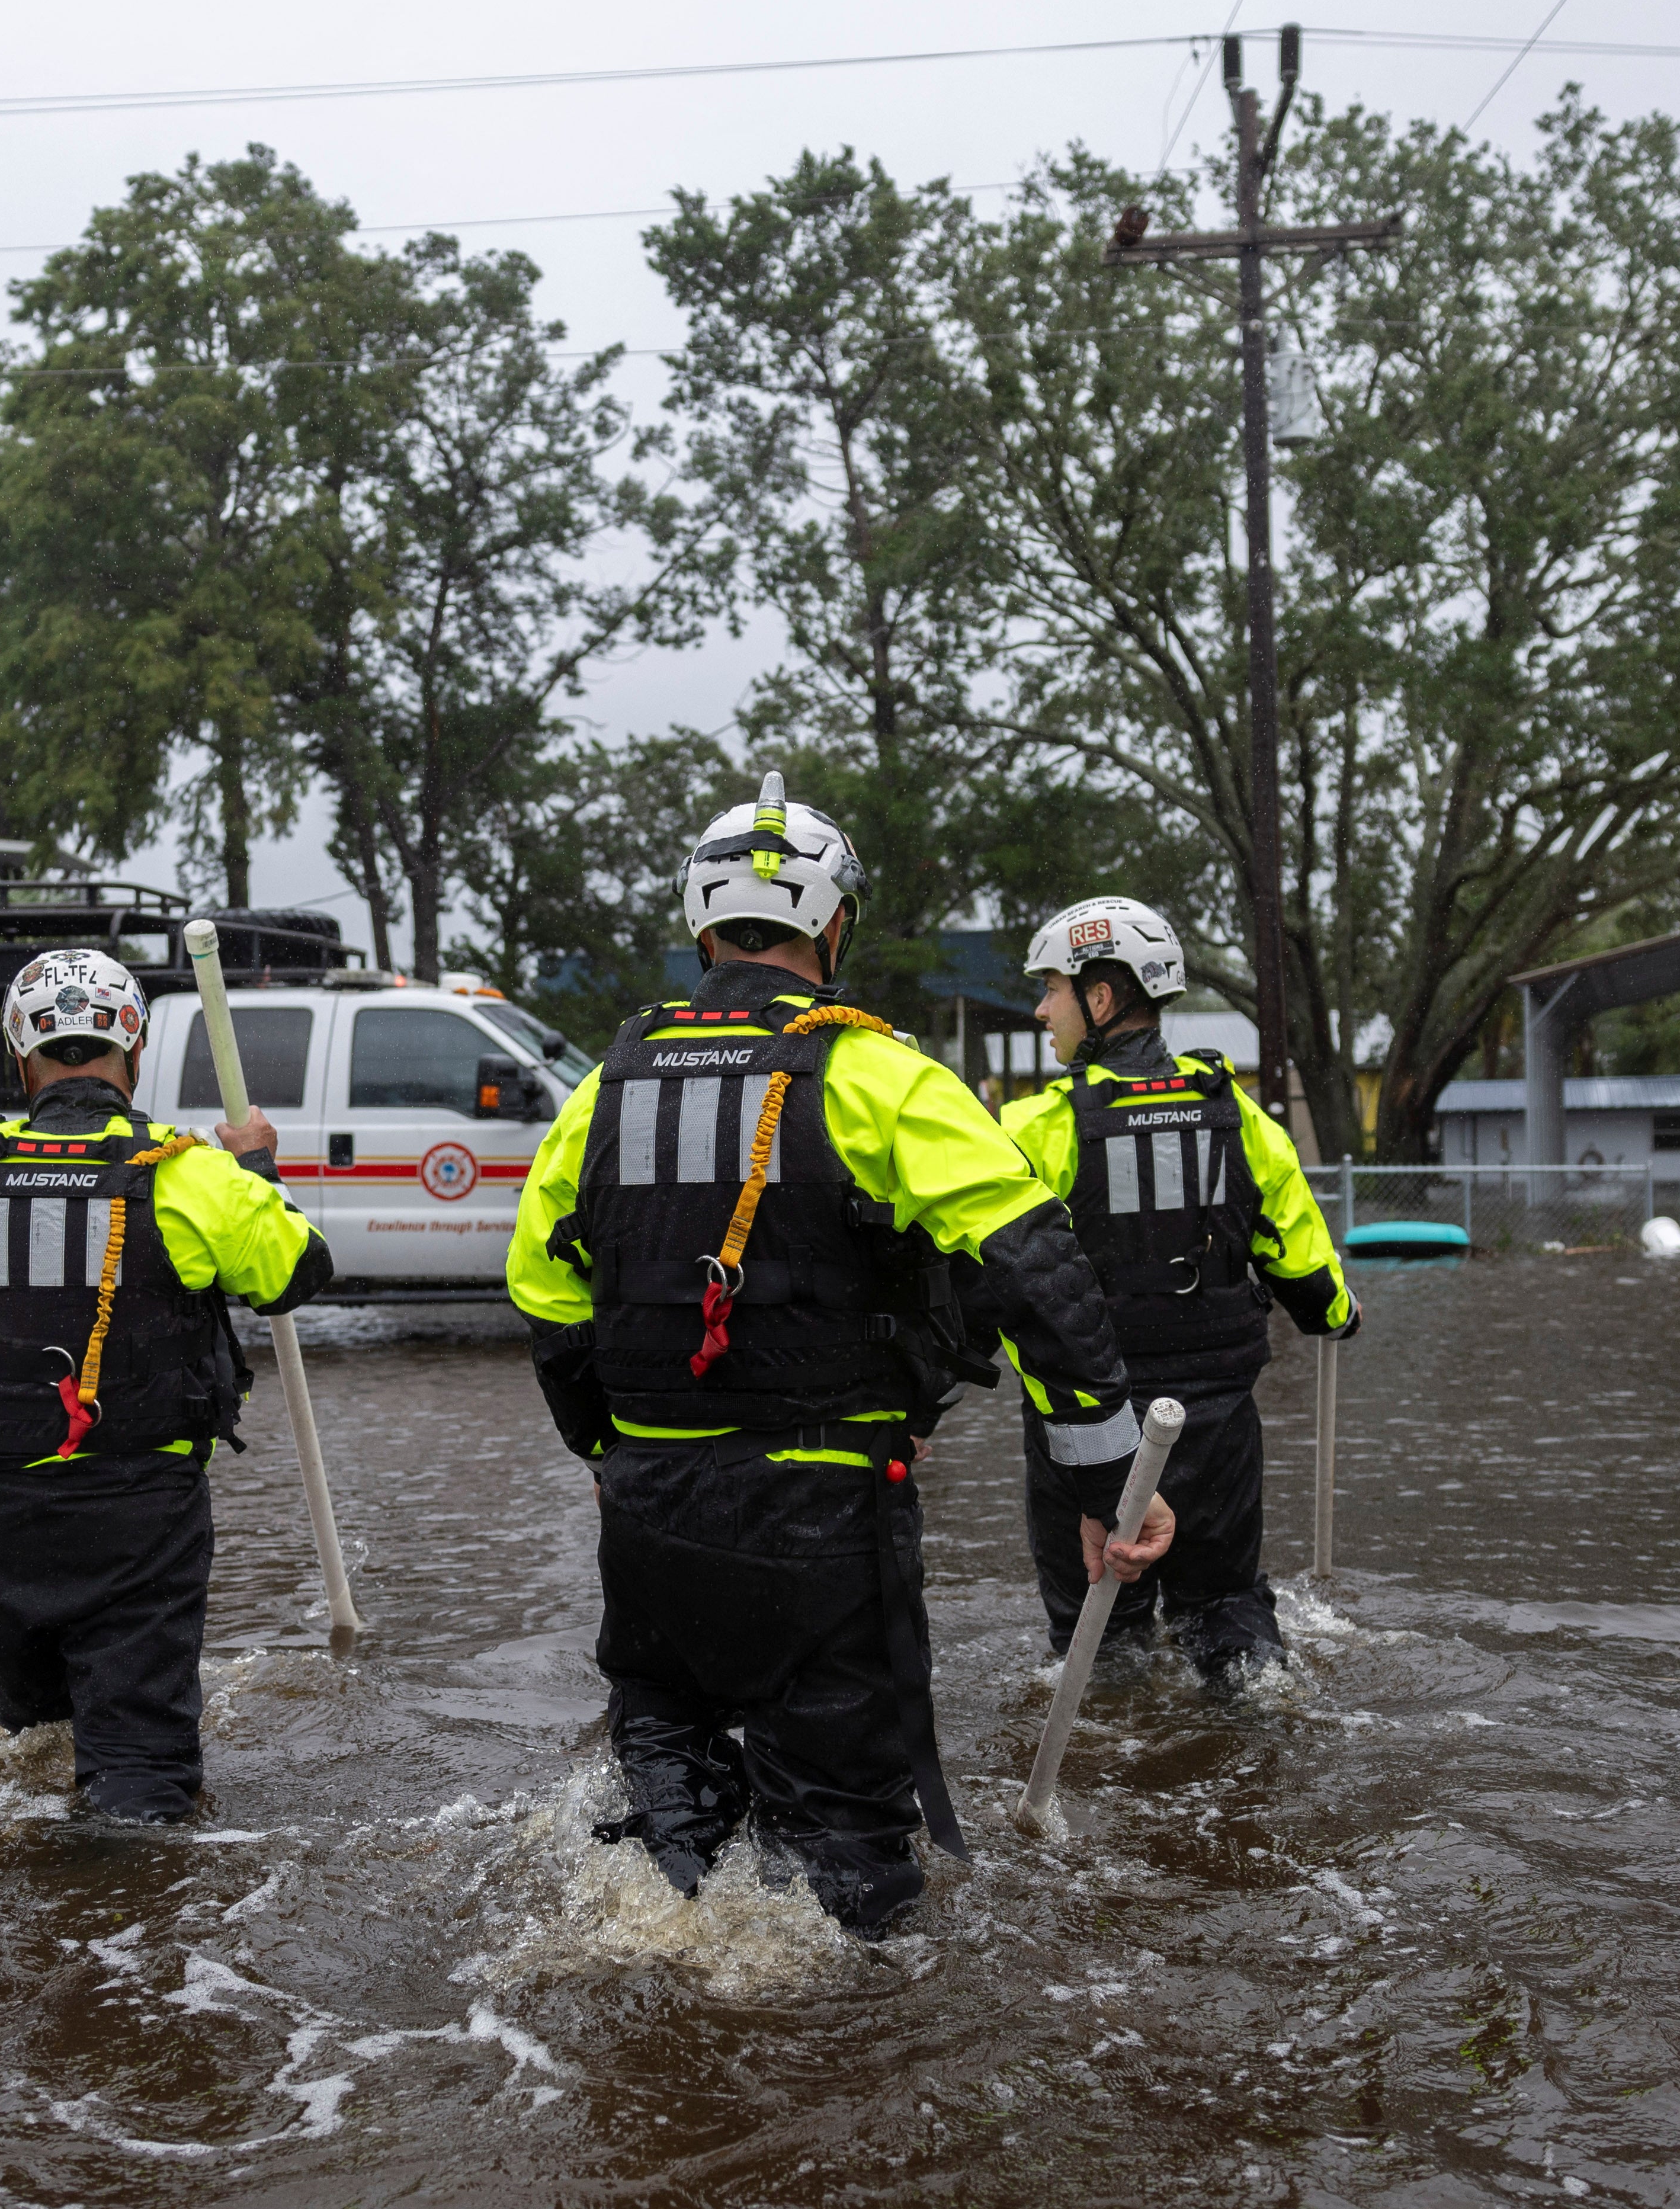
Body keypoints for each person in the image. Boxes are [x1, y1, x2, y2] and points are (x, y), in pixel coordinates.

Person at [508, 774, 1175, 1937]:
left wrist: (611, 1449)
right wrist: (1106, 1484)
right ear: (832, 927)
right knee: (851, 1854)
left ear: (704, 927)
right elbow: (1036, 1269)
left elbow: (544, 1293)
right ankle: (853, 2049)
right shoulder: (884, 1075)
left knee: (668, 1806)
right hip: (823, 1518)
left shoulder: (599, 1094)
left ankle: (667, 1993)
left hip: (651, 1518)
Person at [0, 947, 331, 1823]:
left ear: (19, 1057)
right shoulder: (186, 1173)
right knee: (139, 1769)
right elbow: (296, 1269)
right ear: (130, 1049)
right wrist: (254, 1169)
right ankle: (133, 1935)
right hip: (142, 1510)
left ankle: (53, 1929)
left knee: (37, 1748)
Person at [1002, 896, 1354, 1682]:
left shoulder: (1036, 1129)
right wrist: (1341, 1311)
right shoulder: (1242, 1120)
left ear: (1101, 998)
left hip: (1085, 1427)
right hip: (1217, 1426)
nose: (1040, 1008)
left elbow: (984, 1279)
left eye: (1052, 988)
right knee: (1226, 1609)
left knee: (1101, 1640)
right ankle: (1258, 1708)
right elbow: (1309, 1279)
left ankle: (1117, 1763)